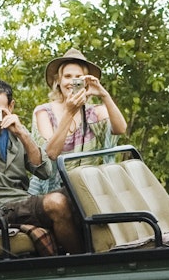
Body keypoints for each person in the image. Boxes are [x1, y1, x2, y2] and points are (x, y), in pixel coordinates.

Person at [0, 78, 82, 254]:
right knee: (56, 202)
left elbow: (45, 171)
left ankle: (102, 254)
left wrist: (22, 134)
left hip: (22, 203)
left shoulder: (16, 131)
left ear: (11, 107)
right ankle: (80, 265)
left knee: (79, 193)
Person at [30, 48, 128, 194]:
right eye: (67, 76)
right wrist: (70, 111)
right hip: (53, 190)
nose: (72, 82)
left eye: (78, 77)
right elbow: (50, 154)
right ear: (59, 80)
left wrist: (104, 94)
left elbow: (121, 128)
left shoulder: (94, 112)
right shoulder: (43, 112)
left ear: (85, 82)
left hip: (87, 186)